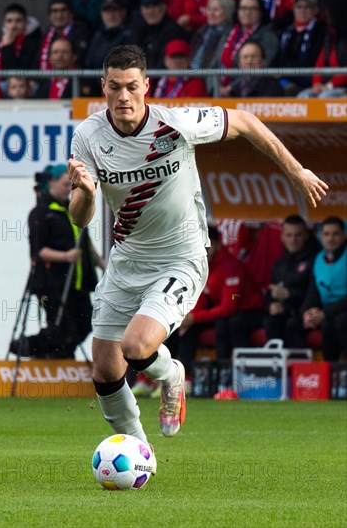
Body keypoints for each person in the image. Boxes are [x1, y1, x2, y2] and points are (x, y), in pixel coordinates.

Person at [67, 44, 328, 469]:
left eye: (132, 86)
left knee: (136, 347)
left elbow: (243, 121)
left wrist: (296, 171)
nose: (123, 97)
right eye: (114, 87)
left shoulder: (176, 123)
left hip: (180, 257)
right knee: (104, 370)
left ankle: (172, 376)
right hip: (126, 261)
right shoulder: (88, 137)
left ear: (146, 87)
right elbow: (80, 218)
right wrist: (87, 191)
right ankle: (140, 454)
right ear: (103, 88)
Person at [10, 164, 104, 359]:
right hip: (51, 283)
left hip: (78, 282)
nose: (68, 189)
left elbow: (85, 243)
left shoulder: (73, 210)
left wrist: (100, 263)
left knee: (84, 324)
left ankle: (59, 355)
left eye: (71, 185)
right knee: (60, 325)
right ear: (51, 183)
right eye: (64, 184)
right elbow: (39, 251)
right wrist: (66, 256)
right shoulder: (41, 212)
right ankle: (26, 346)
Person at [176, 225, 265, 370]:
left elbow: (228, 308)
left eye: (206, 248)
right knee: (184, 328)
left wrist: (194, 317)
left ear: (216, 244)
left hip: (251, 311)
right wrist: (189, 318)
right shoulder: (205, 265)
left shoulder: (230, 267)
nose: (203, 253)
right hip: (225, 312)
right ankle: (186, 376)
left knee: (226, 324)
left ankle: (226, 373)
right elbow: (203, 298)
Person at [287, 216, 347, 361]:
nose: (330, 239)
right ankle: (305, 371)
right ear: (320, 236)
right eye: (326, 234)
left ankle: (336, 371)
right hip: (327, 312)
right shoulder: (318, 259)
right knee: (293, 323)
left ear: (344, 235)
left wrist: (325, 313)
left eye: (335, 234)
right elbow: (313, 291)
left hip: (341, 310)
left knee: (337, 322)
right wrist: (307, 313)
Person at [263, 214, 321, 345]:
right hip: (285, 311)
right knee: (271, 320)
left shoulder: (316, 260)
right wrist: (271, 305)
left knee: (292, 324)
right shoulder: (279, 265)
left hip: (305, 312)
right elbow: (270, 296)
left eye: (298, 235)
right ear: (282, 237)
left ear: (306, 235)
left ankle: (299, 365)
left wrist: (289, 294)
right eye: (289, 235)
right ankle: (276, 362)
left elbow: (315, 293)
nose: (293, 240)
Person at [217, 0, 279, 93]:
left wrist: (232, 87)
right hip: (220, 92)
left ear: (260, 12)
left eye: (253, 8)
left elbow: (260, 67)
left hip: (250, 93)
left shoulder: (268, 37)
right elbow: (215, 63)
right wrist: (216, 87)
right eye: (243, 8)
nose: (247, 12)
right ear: (237, 11)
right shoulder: (228, 33)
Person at [297, 0, 347, 98]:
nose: (326, 14)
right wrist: (317, 84)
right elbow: (319, 65)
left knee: (325, 97)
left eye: (330, 10)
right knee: (304, 96)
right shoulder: (331, 35)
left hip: (341, 86)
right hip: (328, 85)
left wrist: (329, 86)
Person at [277, 0, 326, 96]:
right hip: (287, 81)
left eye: (307, 7)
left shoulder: (321, 30)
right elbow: (280, 59)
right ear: (293, 9)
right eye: (298, 7)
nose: (302, 11)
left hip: (309, 82)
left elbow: (314, 60)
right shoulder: (287, 32)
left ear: (315, 9)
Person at [127, 0, 188, 70]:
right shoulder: (137, 28)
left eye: (155, 6)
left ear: (164, 7)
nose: (151, 11)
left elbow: (165, 62)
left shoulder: (174, 30)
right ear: (141, 9)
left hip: (162, 78)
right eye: (147, 7)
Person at [38, 0, 92, 70]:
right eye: (55, 11)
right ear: (49, 15)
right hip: (47, 80)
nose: (59, 15)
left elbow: (82, 60)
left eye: (63, 10)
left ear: (71, 14)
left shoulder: (82, 32)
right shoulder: (47, 34)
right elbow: (36, 61)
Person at [0, 3, 41, 71]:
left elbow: (17, 72)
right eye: (9, 21)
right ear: (4, 24)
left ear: (26, 22)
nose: (13, 26)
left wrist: (8, 46)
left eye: (18, 20)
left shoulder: (34, 40)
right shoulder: (2, 39)